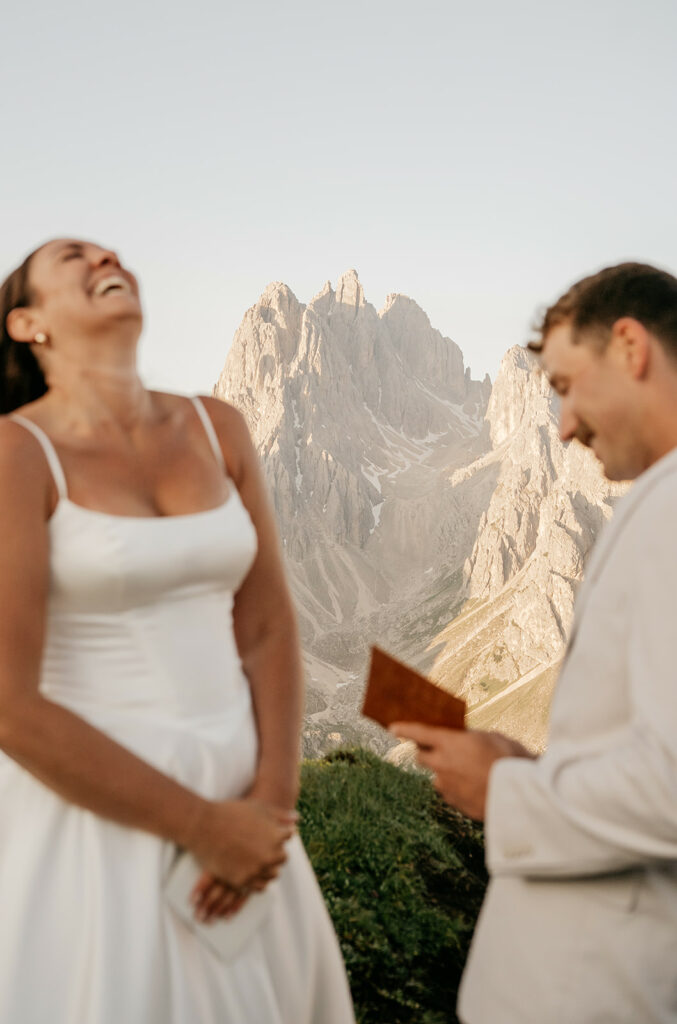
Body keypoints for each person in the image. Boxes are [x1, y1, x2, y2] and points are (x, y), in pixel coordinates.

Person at [0, 238, 355, 1023]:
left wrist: (269, 812)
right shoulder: (15, 454)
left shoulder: (217, 426)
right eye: (73, 256)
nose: (106, 256)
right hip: (96, 819)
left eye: (110, 251)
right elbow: (8, 704)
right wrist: (201, 827)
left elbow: (265, 628)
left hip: (248, 813)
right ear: (28, 323)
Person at [394, 262, 677, 1023]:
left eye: (563, 386)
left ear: (628, 347)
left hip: (601, 987)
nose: (562, 428)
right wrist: (537, 769)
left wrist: (508, 792)